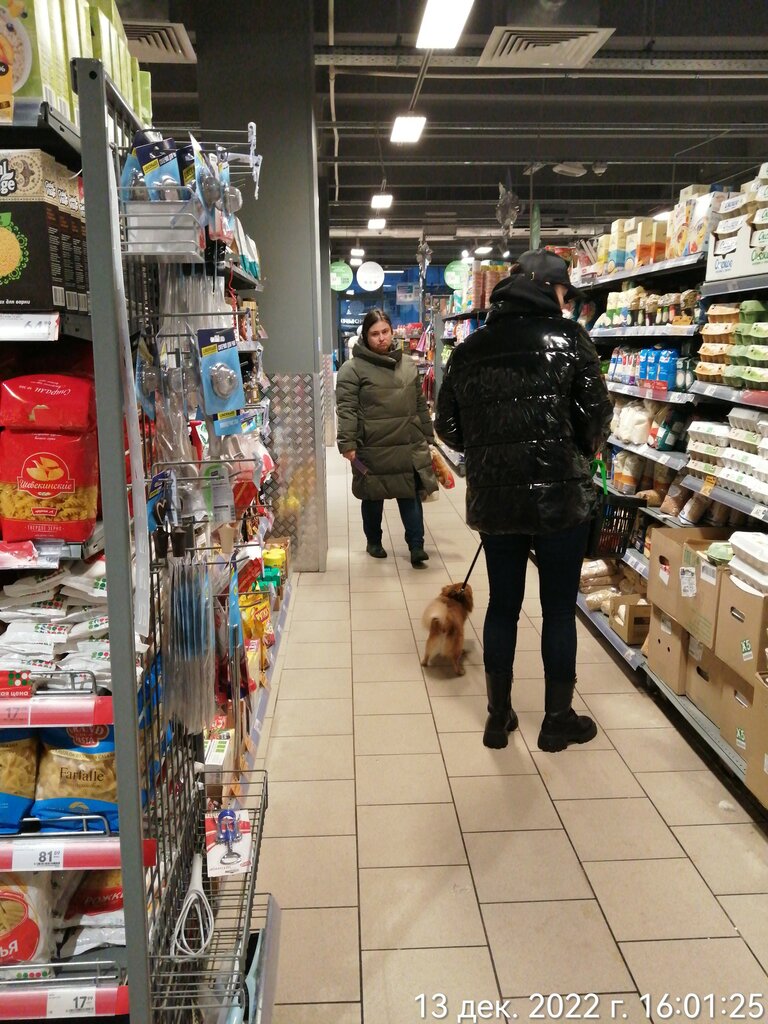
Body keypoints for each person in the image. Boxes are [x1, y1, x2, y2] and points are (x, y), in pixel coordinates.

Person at [435, 250, 612, 752]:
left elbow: (446, 425)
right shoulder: (572, 340)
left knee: (503, 606)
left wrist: (489, 449)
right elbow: (597, 418)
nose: (567, 302)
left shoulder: (470, 349)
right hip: (561, 498)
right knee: (557, 609)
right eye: (565, 293)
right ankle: (556, 721)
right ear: (549, 290)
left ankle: (498, 717)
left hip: (496, 500)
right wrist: (580, 448)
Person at [336, 308, 438, 566]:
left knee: (410, 494)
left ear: (392, 332)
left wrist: (428, 435)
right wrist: (347, 443)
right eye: (374, 334)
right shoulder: (352, 369)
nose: (381, 338)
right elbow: (346, 408)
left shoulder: (408, 365)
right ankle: (374, 541)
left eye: (385, 332)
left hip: (407, 442)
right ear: (365, 336)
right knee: (373, 496)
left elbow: (419, 403)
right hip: (371, 446)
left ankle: (416, 545)